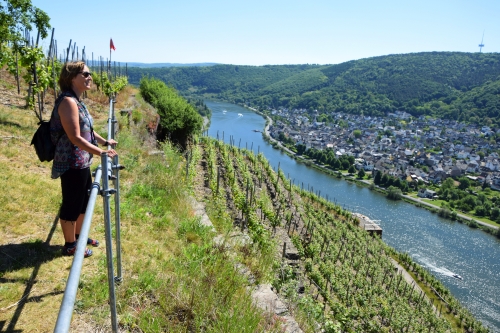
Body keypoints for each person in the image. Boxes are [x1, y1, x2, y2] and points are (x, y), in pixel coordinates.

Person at [50, 61, 118, 257]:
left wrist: (104, 142)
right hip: (71, 162)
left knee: (83, 200)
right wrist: (101, 153)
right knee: (72, 203)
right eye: (85, 74)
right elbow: (75, 137)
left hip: (82, 161)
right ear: (72, 78)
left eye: (90, 74)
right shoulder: (68, 102)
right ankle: (70, 245)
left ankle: (79, 236)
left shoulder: (77, 100)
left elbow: (87, 129)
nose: (90, 77)